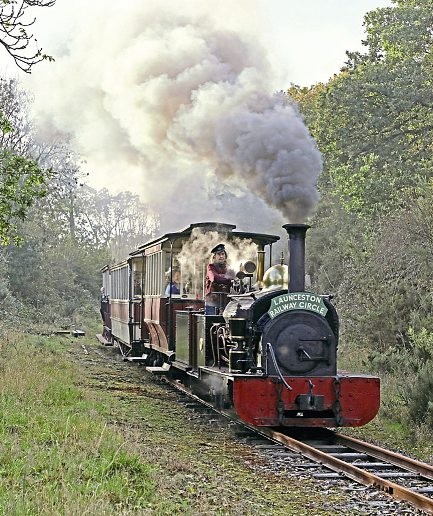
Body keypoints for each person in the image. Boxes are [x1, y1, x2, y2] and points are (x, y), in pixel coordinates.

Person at [205, 243, 235, 315]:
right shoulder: (210, 267)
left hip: (226, 301)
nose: (221, 256)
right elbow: (214, 278)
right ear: (214, 256)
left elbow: (234, 278)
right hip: (212, 302)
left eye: (223, 254)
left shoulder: (228, 268)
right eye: (219, 254)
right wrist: (229, 279)